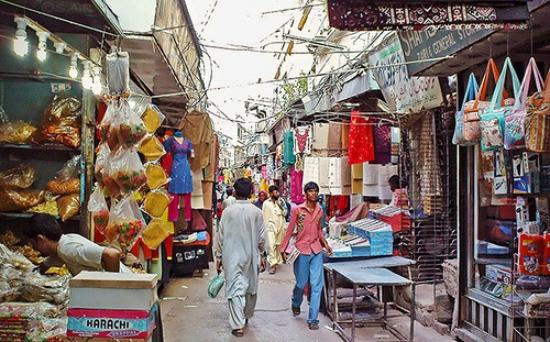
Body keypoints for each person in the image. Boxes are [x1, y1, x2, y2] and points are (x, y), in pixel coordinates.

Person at [214, 178, 267, 337]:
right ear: (251, 193)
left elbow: (220, 236)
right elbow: (262, 238)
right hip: (251, 255)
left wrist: (218, 257)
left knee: (235, 289)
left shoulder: (228, 212)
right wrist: (263, 255)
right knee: (250, 286)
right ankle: (245, 315)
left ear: (235, 192)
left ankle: (238, 325)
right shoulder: (257, 212)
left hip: (231, 256)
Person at [280, 181, 333, 330]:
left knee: (316, 285)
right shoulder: (297, 210)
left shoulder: (320, 210)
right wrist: (283, 248)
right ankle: (295, 302)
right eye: (311, 191)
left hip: (316, 250)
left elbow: (319, 230)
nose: (314, 193)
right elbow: (290, 230)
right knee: (301, 283)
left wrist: (326, 245)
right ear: (306, 193)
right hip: (302, 250)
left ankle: (313, 319)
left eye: (316, 191)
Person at [23, 214, 130, 276]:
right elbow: (46, 264)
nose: (34, 248)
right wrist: (31, 275)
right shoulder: (62, 246)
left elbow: (112, 254)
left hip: (126, 289)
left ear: (41, 239)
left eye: (33, 244)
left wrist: (114, 287)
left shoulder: (68, 249)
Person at [262, 185, 287, 275]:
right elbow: (263, 215)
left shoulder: (281, 201)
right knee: (271, 245)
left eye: (277, 191)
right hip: (270, 227)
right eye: (275, 192)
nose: (277, 193)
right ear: (271, 193)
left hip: (280, 226)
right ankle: (272, 264)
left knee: (277, 245)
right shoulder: (266, 203)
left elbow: (285, 213)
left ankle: (276, 261)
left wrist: (281, 206)